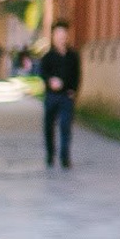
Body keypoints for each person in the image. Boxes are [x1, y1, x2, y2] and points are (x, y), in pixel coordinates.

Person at [35, 23, 81, 168]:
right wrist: (50, 81)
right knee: (49, 126)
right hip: (51, 96)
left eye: (64, 35)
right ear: (53, 36)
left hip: (67, 96)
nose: (62, 38)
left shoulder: (73, 56)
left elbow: (77, 75)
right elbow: (43, 73)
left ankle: (65, 157)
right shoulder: (48, 56)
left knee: (65, 125)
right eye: (59, 35)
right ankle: (50, 154)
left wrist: (73, 90)